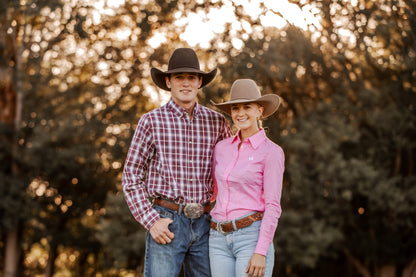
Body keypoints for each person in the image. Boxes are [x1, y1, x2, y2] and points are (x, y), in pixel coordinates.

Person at [122, 48, 232, 277]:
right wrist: (152, 221)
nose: (185, 83)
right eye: (179, 77)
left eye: (191, 77)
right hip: (167, 221)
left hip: (207, 223)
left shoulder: (217, 123)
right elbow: (131, 175)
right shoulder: (151, 121)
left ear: (200, 81)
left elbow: (232, 173)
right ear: (168, 81)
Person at [209, 79, 284, 277]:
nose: (240, 113)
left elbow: (273, 206)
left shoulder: (272, 152)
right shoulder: (221, 148)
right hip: (217, 239)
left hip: (250, 238)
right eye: (235, 108)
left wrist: (260, 251)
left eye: (247, 107)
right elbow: (215, 191)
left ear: (259, 111)